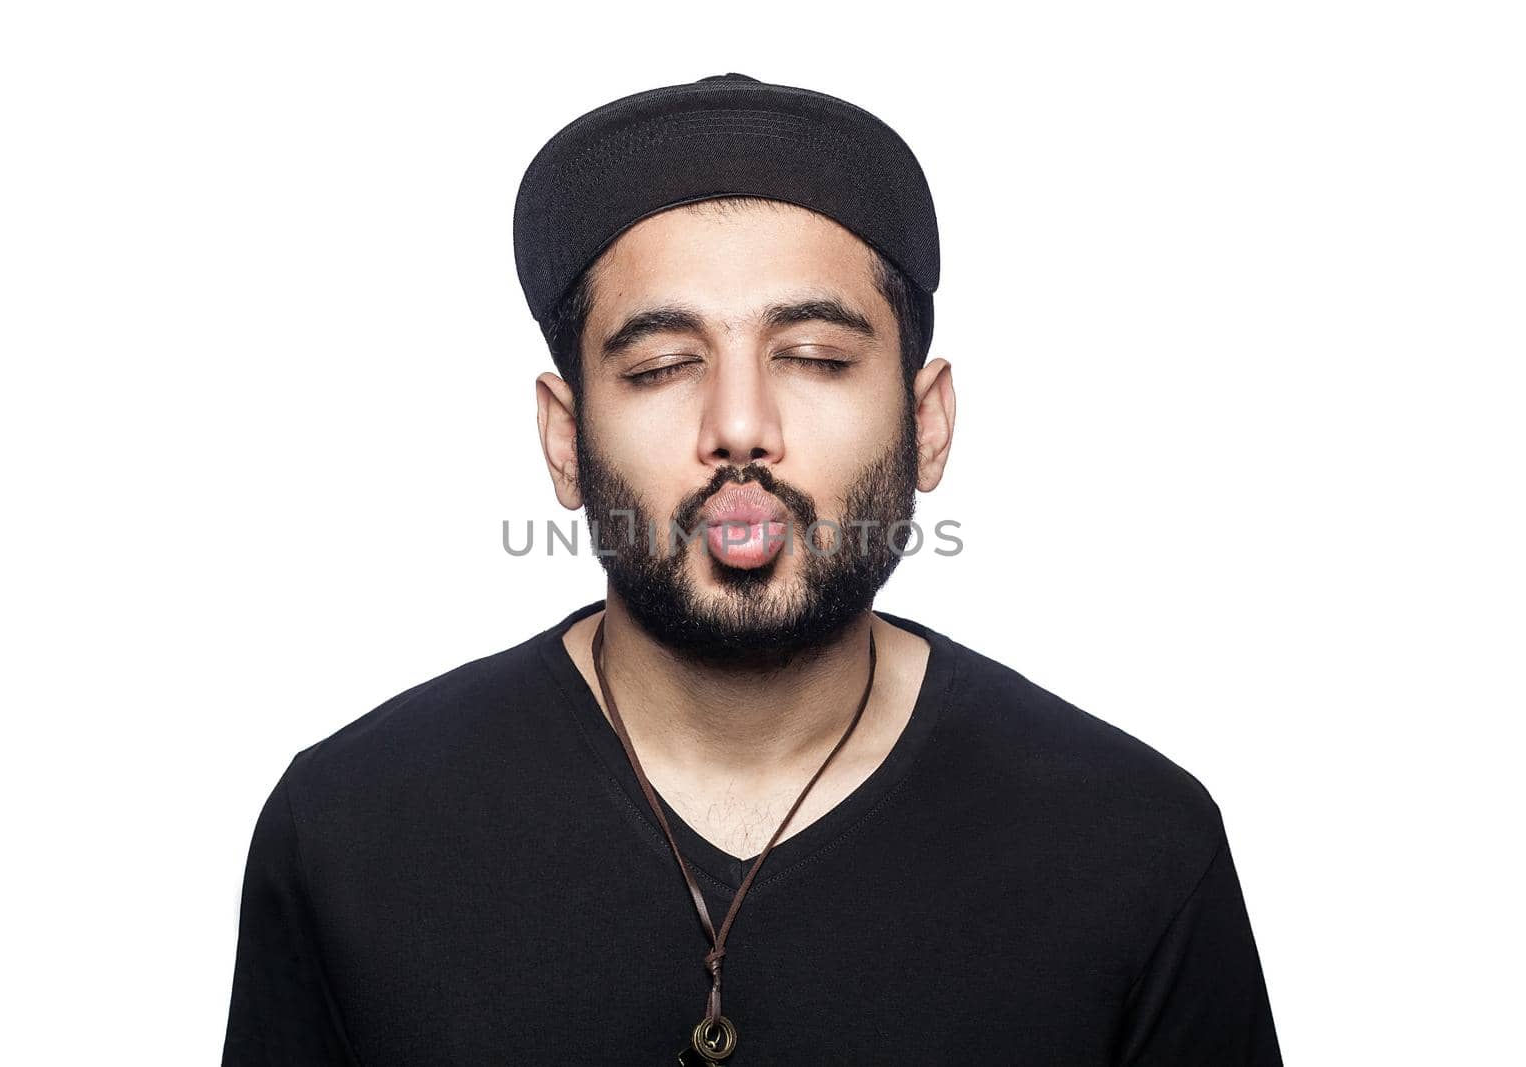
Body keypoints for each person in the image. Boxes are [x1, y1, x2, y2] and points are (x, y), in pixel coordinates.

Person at [221, 73, 1283, 1066]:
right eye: (659, 366)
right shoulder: (352, 830)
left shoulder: (1135, 846)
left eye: (815, 358)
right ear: (562, 438)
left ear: (925, 423)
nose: (739, 426)